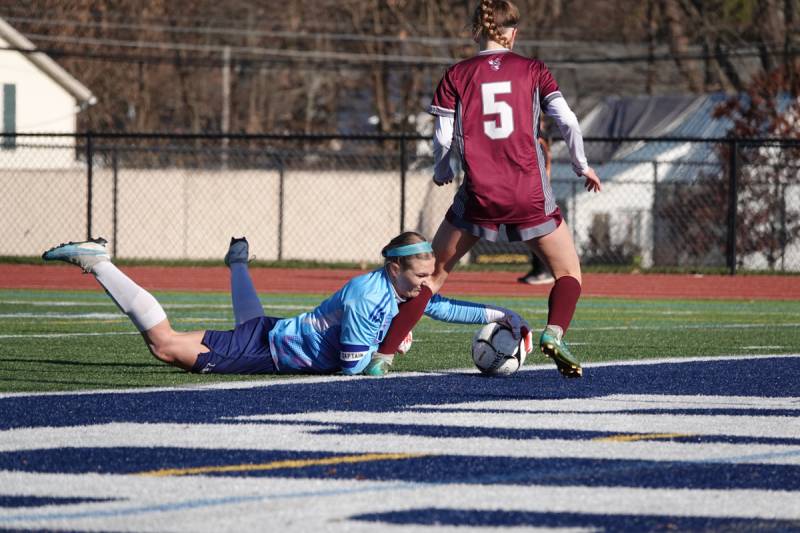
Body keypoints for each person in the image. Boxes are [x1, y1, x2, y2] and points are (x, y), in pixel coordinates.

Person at [374, 0, 601, 378]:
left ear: (476, 30)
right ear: (514, 32)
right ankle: (555, 333)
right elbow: (568, 121)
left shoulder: (456, 74)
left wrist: (443, 168)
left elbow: (443, 136)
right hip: (528, 193)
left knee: (433, 276)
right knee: (568, 274)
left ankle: (384, 355)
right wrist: (582, 166)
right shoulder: (534, 69)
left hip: (479, 194)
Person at [41, 232, 531, 376]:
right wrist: (390, 351)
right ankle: (98, 263)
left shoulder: (405, 290)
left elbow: (442, 307)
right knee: (164, 346)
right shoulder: (367, 295)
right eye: (420, 275)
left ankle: (237, 265)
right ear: (395, 268)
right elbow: (352, 369)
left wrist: (499, 314)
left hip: (275, 335)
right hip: (268, 353)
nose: (427, 285)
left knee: (247, 321)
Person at [518, 116, 555, 285]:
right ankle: (536, 269)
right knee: (528, 234)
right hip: (529, 194)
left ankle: (544, 270)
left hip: (537, 195)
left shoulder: (538, 142)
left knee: (537, 234)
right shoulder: (532, 141)